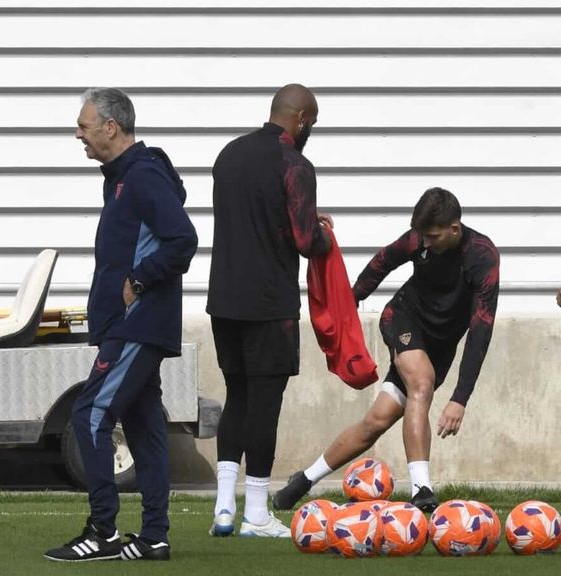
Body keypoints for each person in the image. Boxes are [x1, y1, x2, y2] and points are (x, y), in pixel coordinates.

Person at [273, 187, 499, 513]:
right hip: (403, 319)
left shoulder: (482, 256)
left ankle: (302, 480)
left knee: (375, 423)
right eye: (422, 236)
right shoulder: (418, 239)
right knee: (421, 382)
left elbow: (481, 330)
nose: (425, 243)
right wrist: (350, 303)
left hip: (439, 347)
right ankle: (422, 490)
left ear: (454, 228)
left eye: (433, 237)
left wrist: (460, 398)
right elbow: (383, 261)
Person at [44, 88, 197, 562]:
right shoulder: (121, 178)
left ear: (110, 127)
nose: (78, 134)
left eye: (84, 125)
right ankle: (154, 537)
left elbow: (183, 240)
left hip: (137, 324)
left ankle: (103, 532)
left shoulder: (143, 175)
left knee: (89, 415)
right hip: (127, 324)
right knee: (145, 427)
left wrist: (138, 279)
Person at [207, 84, 332, 538]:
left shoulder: (228, 155)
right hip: (269, 304)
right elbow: (304, 240)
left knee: (236, 397)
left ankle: (223, 507)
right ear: (300, 119)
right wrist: (323, 234)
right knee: (264, 404)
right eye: (311, 124)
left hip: (224, 298)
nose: (309, 132)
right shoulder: (294, 163)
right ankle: (256, 512)